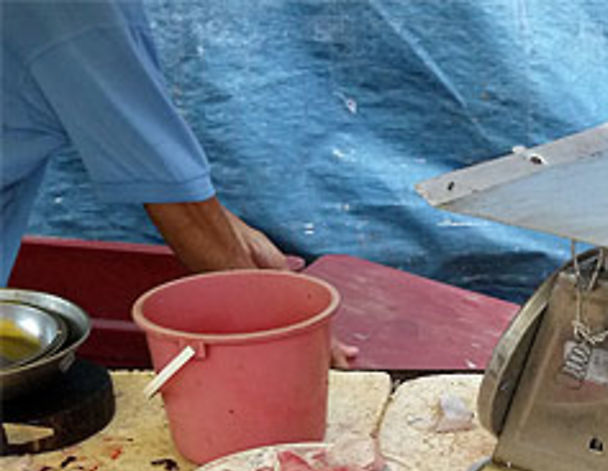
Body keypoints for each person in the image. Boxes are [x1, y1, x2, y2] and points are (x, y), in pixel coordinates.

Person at [1, 0, 357, 365]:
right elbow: (177, 203)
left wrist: (232, 235)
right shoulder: (81, 15)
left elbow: (170, 181)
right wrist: (292, 335)